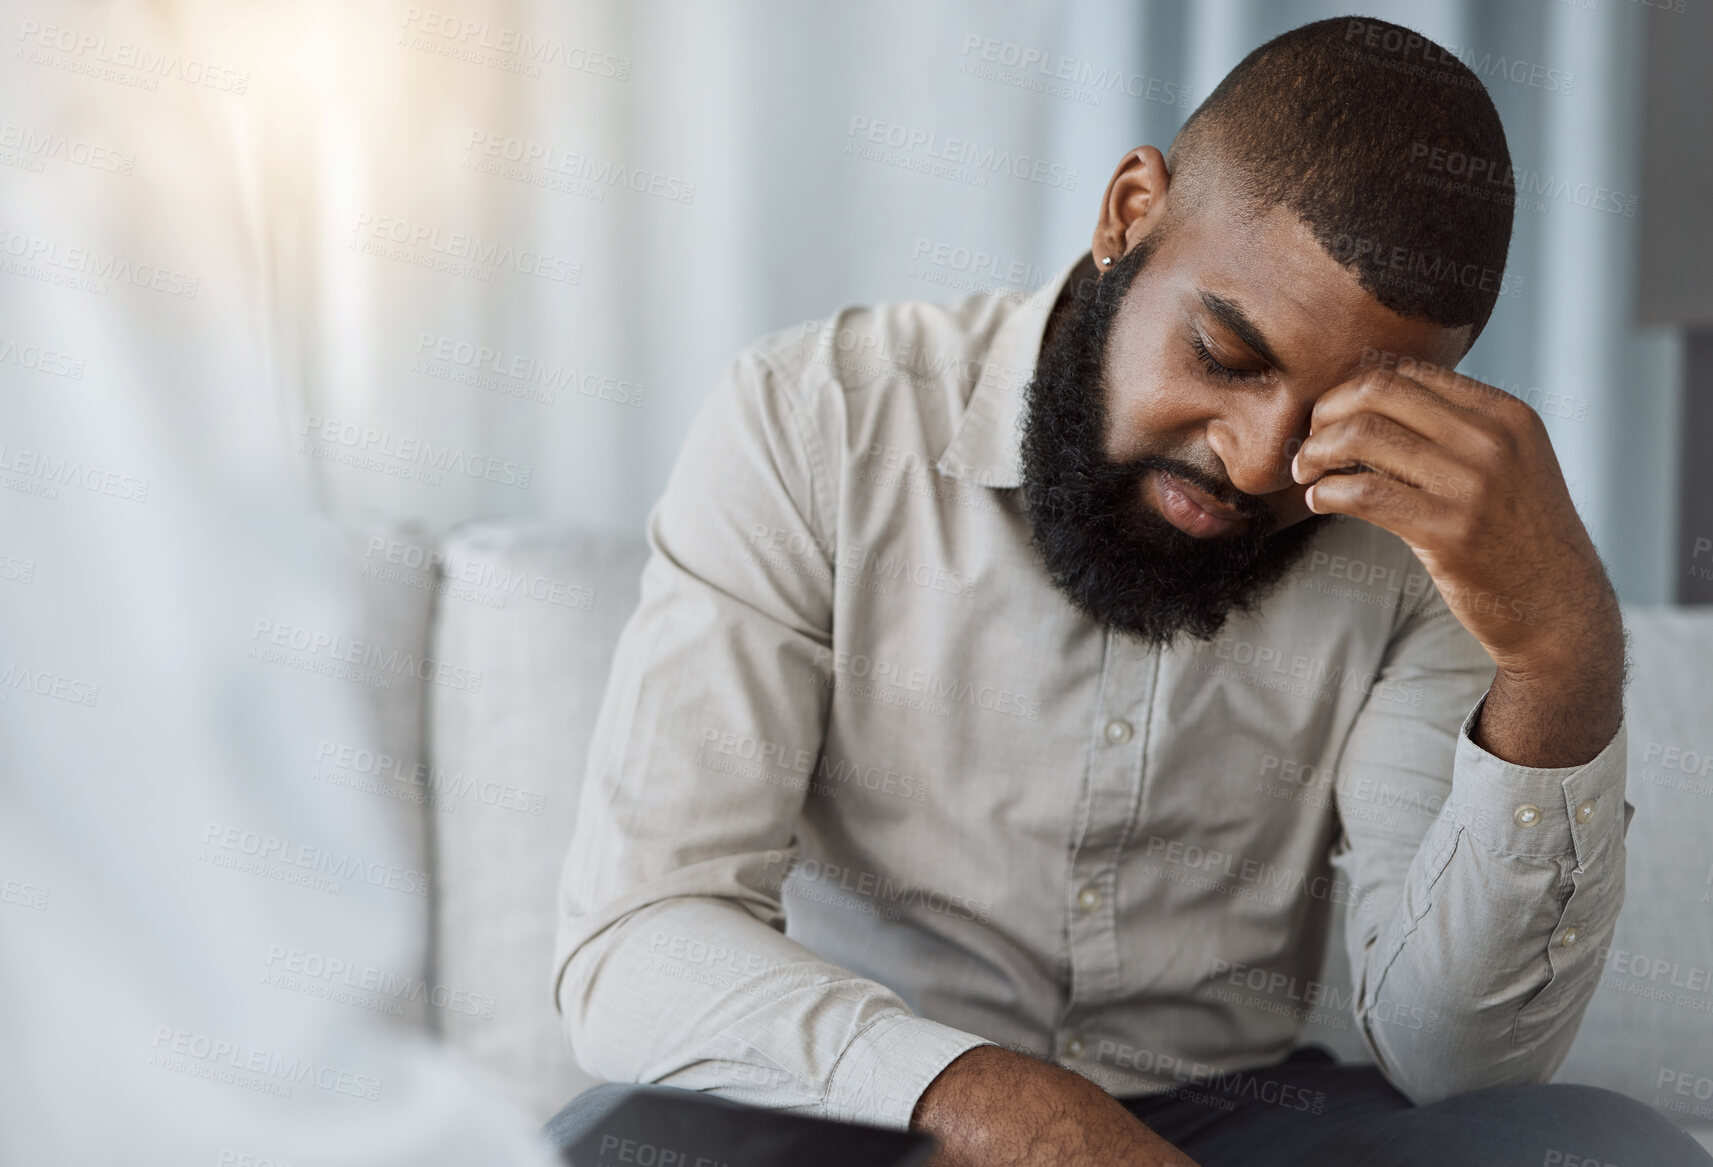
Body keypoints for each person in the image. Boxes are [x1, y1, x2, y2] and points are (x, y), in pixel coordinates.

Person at [546, 17, 1712, 1166]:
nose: (1259, 462)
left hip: (1241, 1125)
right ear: (1128, 215)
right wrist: (1005, 1111)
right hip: (861, 1109)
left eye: (1338, 418)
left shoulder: (1413, 542)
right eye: (1226, 356)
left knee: (1601, 1149)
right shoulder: (817, 419)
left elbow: (1460, 1069)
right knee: (613, 1148)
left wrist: (1560, 662)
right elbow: (637, 938)